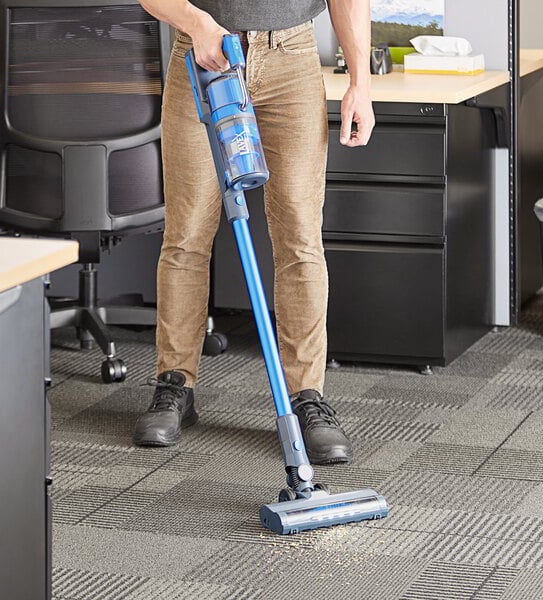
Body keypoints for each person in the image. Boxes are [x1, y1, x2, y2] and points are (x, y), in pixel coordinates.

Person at [133, 0, 375, 465]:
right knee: (186, 235)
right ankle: (174, 385)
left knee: (300, 238)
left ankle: (306, 396)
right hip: (202, 54)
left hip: (292, 56)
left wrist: (360, 82)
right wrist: (197, 23)